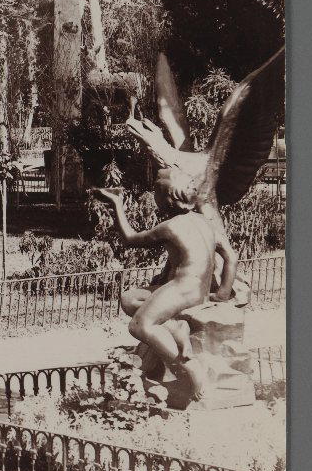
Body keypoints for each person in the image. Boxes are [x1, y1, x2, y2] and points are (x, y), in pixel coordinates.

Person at [92, 171, 232, 401]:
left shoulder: (170, 227)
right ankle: (174, 327)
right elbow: (230, 257)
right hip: (196, 289)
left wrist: (116, 203)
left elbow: (130, 239)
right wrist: (223, 293)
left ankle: (189, 366)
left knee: (139, 326)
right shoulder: (205, 222)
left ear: (167, 197)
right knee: (129, 299)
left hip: (183, 288)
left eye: (156, 192)